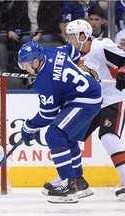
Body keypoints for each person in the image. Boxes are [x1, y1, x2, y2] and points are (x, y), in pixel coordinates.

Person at [45, 19, 125, 202]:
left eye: (71, 36)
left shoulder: (101, 47)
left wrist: (122, 72)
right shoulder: (68, 56)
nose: (68, 41)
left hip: (111, 100)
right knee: (67, 137)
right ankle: (76, 181)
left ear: (83, 36)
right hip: (88, 104)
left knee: (109, 139)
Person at [18, 41, 102, 203]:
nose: (25, 69)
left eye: (26, 65)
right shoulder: (50, 51)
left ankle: (68, 186)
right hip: (88, 95)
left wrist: (29, 126)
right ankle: (79, 182)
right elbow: (73, 52)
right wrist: (70, 78)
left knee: (54, 135)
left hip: (85, 101)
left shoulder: (44, 82)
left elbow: (48, 115)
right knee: (67, 139)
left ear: (36, 62)